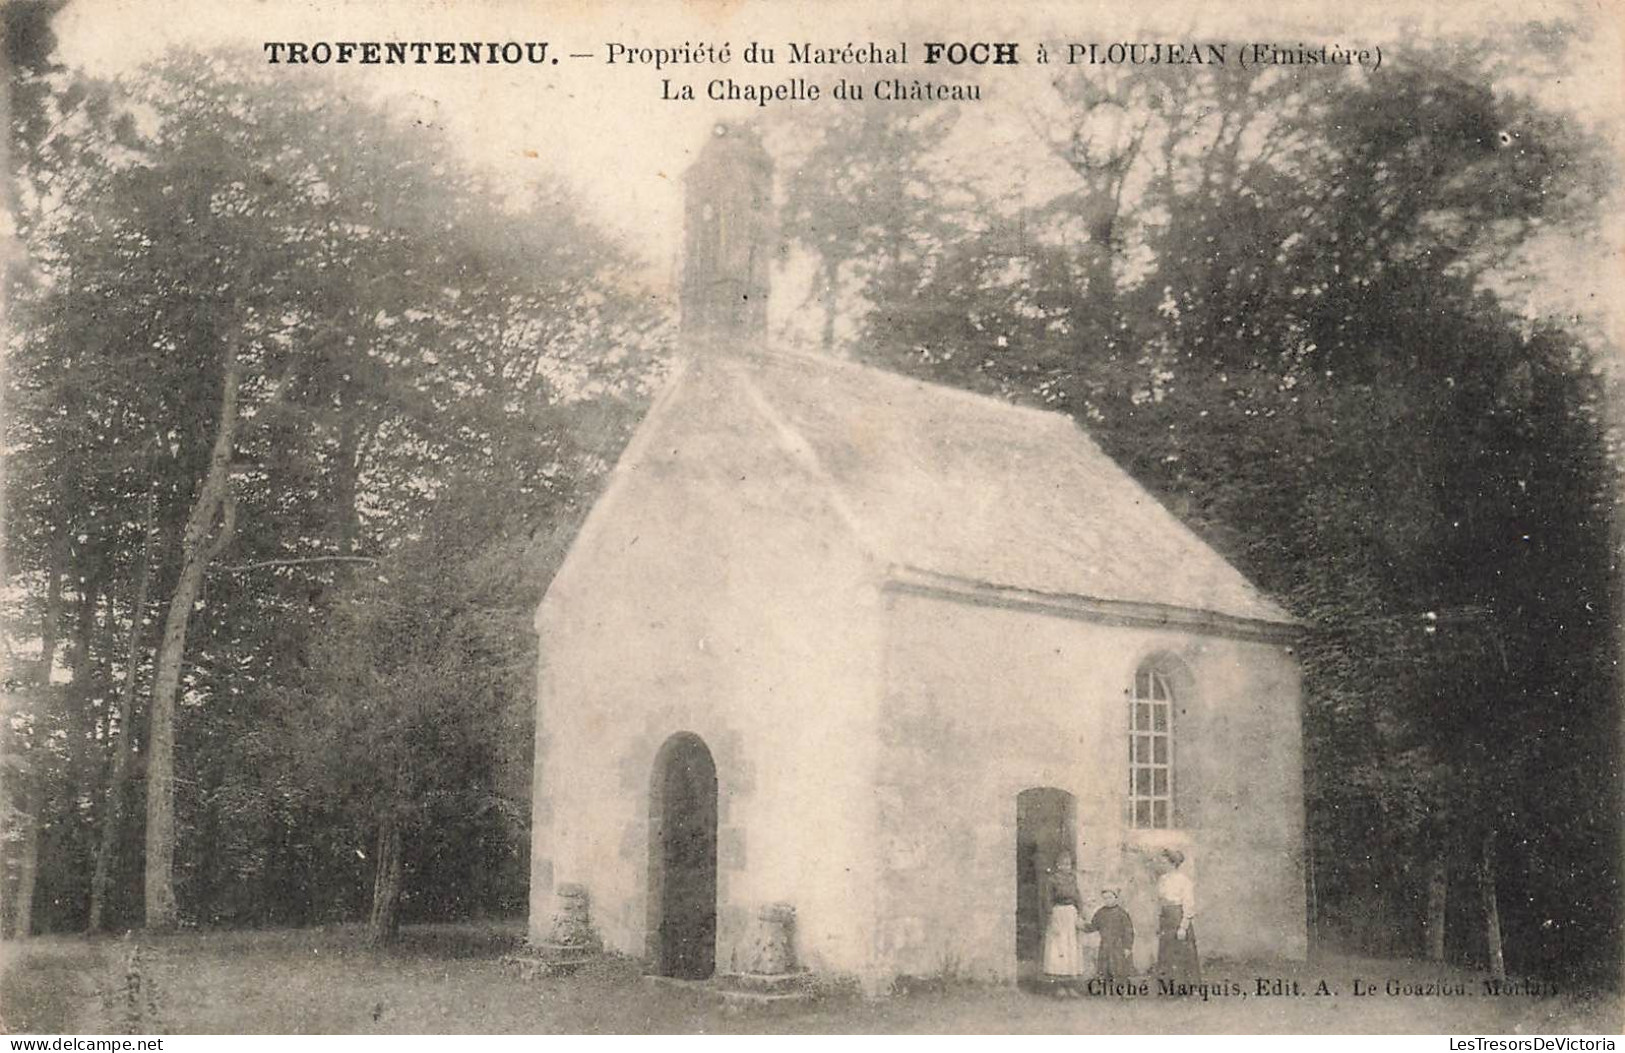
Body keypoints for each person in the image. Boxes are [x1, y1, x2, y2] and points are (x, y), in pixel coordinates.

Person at [1041, 850, 1084, 994]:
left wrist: (1080, 914)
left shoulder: (1073, 879)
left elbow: (1078, 897)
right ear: (1058, 865)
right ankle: (1059, 986)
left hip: (1071, 913)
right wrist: (1051, 918)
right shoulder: (1052, 880)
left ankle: (1070, 985)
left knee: (1071, 948)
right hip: (1058, 913)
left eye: (1069, 864)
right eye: (1063, 864)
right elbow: (1047, 899)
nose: (1066, 867)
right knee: (1059, 948)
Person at [1154, 848, 1200, 982]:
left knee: (1180, 951)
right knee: (1166, 952)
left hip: (1177, 917)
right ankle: (1168, 986)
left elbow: (1189, 904)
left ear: (1173, 863)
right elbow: (1160, 901)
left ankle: (1183, 985)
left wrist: (1183, 927)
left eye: (1164, 861)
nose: (1161, 864)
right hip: (1166, 918)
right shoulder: (1162, 879)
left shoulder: (1184, 880)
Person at [1081, 888, 1135, 980]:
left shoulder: (1122, 913)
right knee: (1104, 970)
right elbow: (1093, 926)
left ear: (1116, 898)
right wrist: (1082, 926)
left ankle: (1121, 990)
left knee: (1119, 970)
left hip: (1119, 945)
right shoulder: (1101, 912)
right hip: (1105, 946)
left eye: (1110, 897)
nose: (1107, 900)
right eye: (1105, 898)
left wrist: (1127, 947)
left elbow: (1128, 931)